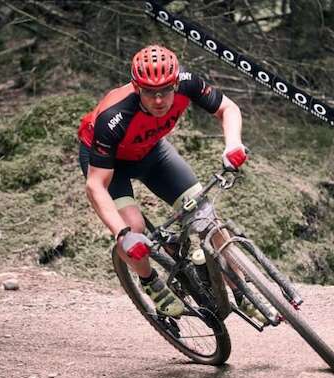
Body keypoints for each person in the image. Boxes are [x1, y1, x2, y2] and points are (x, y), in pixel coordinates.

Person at [78, 44, 262, 321]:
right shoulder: (112, 117)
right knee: (135, 229)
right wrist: (122, 234)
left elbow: (228, 108)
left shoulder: (188, 84)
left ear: (176, 82)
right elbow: (95, 185)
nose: (160, 99)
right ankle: (150, 282)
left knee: (207, 218)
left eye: (165, 89)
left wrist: (233, 144)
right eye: (150, 92)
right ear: (136, 87)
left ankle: (241, 291)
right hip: (110, 165)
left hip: (151, 152)